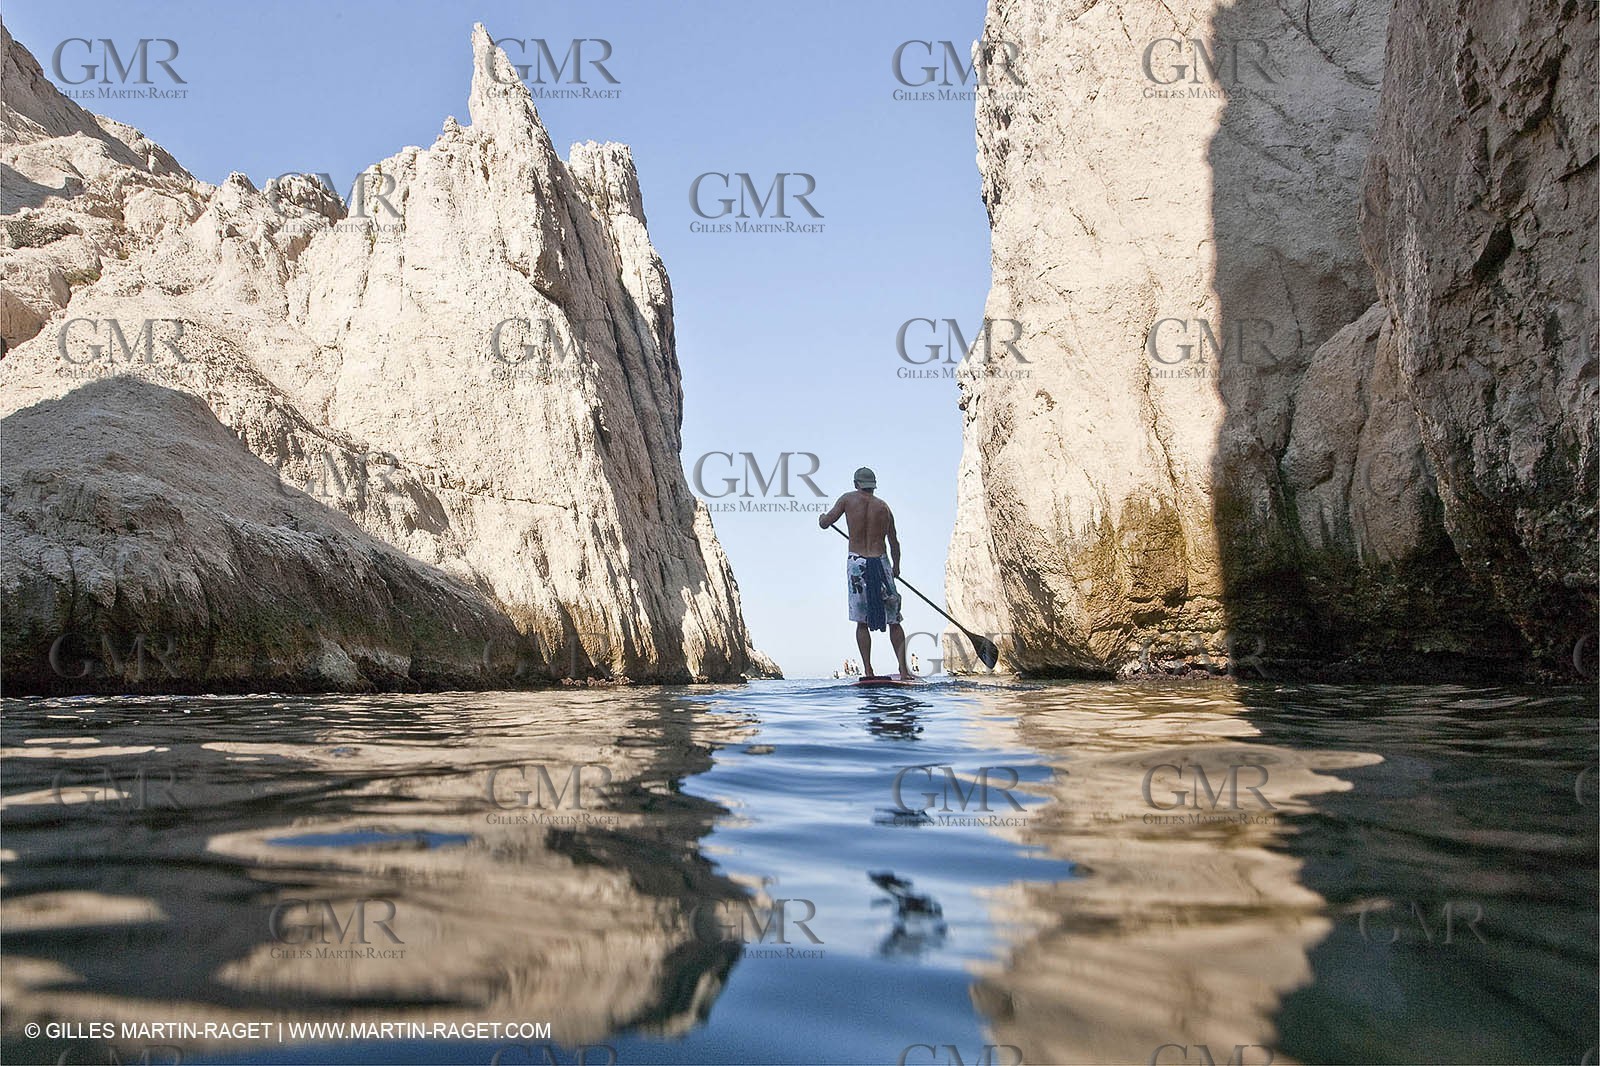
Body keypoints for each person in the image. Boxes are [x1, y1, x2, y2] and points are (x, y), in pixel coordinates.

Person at [819, 466, 911, 680]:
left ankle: (868, 670)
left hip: (857, 563)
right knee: (894, 620)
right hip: (881, 563)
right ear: (873, 485)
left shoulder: (847, 500)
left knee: (862, 621)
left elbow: (826, 523)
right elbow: (894, 542)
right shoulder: (884, 508)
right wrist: (896, 567)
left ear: (856, 483)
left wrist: (822, 518)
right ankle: (904, 670)